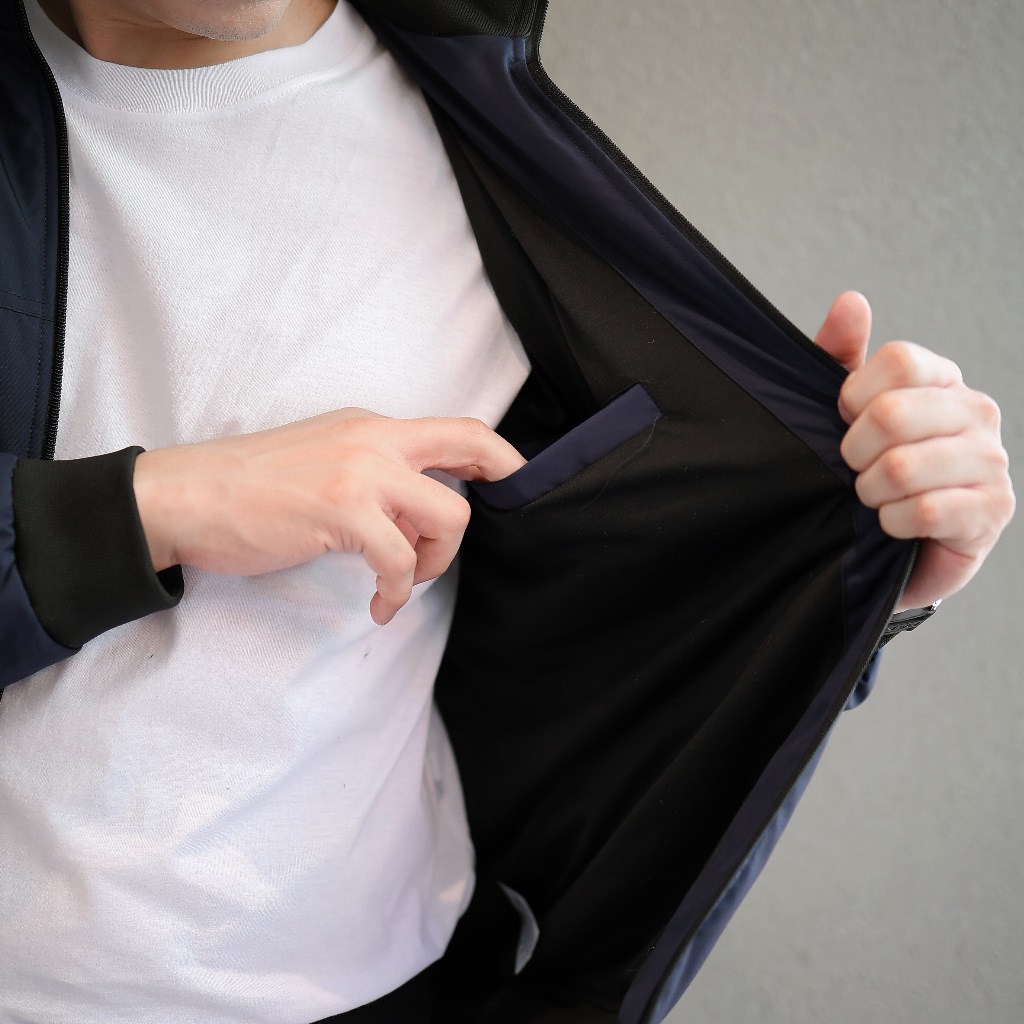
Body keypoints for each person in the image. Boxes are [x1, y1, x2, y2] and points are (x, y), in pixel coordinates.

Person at [0, 1, 1013, 1023]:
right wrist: (147, 509)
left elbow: (621, 628)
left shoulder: (485, 147)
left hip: (392, 985)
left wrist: (844, 558)